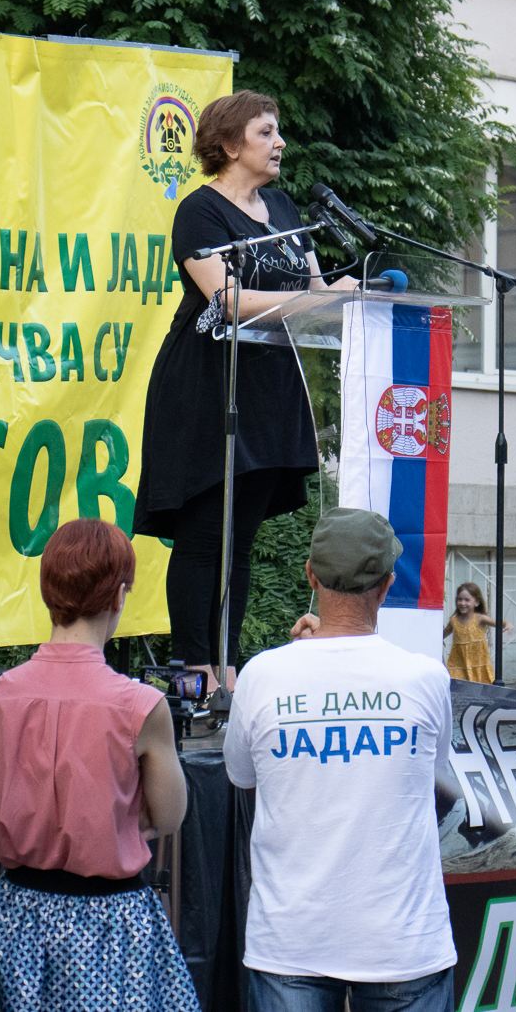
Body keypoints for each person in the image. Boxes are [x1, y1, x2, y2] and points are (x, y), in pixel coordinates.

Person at [134, 89, 357, 682]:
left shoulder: (283, 208)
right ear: (229, 145)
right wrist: (316, 296)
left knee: (241, 541)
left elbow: (312, 291)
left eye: (277, 131)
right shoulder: (199, 211)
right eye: (265, 132)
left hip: (271, 388)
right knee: (206, 535)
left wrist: (347, 294)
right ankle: (193, 668)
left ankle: (227, 669)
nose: (280, 142)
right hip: (208, 385)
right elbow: (226, 299)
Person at [224, 508, 456, 1011]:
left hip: (291, 941)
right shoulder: (425, 678)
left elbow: (244, 778)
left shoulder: (262, 677)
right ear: (389, 583)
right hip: (403, 941)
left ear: (310, 575)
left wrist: (302, 666)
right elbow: (427, 773)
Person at [0, 518, 198, 1011]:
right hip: (108, 923)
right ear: (119, 595)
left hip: (17, 914)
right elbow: (168, 817)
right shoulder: (139, 705)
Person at [443, 581, 510, 684]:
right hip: (458, 665)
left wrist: (507, 625)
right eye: (459, 599)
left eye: (467, 600)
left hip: (478, 664)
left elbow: (499, 623)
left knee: (480, 690)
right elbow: (442, 634)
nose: (462, 603)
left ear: (476, 603)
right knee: (457, 688)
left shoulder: (479, 619)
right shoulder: (454, 621)